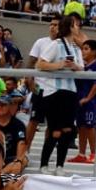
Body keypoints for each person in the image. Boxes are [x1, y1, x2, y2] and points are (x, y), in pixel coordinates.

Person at [35, 13, 85, 175]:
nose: (78, 28)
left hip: (70, 92)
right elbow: (40, 63)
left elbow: (82, 68)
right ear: (70, 26)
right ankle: (44, 165)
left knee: (67, 130)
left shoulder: (76, 48)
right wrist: (60, 64)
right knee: (55, 130)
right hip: (54, 92)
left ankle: (60, 166)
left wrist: (74, 66)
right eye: (76, 25)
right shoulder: (56, 44)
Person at [24, 15, 61, 154]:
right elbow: (31, 62)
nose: (52, 27)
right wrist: (29, 79)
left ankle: (46, 152)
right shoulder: (40, 42)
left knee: (52, 125)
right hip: (40, 88)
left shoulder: (63, 45)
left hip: (56, 90)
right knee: (34, 120)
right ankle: (25, 150)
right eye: (51, 24)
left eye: (56, 25)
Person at [68, 40, 96, 164]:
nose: (83, 51)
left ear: (94, 51)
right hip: (79, 101)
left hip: (91, 102)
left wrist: (88, 98)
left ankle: (94, 154)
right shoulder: (82, 66)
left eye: (86, 49)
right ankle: (81, 154)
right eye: (82, 49)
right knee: (81, 126)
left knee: (90, 126)